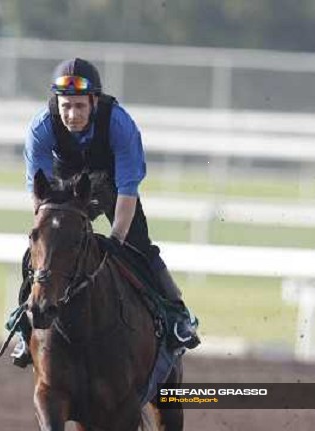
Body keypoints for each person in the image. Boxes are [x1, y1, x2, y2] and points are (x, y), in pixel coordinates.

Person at [10, 57, 199, 367]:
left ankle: (178, 316)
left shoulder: (120, 125)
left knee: (139, 249)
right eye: (65, 106)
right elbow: (39, 196)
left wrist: (116, 238)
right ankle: (24, 326)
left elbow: (127, 191)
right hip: (65, 186)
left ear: (94, 101)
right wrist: (47, 237)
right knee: (41, 253)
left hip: (112, 186)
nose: (72, 115)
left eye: (80, 106)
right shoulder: (40, 129)